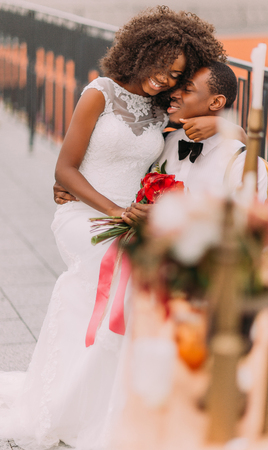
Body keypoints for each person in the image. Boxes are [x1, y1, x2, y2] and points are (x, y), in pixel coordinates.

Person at [0, 6, 226, 450]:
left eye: (175, 75)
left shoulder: (163, 110)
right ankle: (67, 403)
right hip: (85, 215)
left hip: (127, 219)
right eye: (161, 67)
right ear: (141, 52)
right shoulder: (98, 93)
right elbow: (65, 170)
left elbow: (214, 125)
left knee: (136, 284)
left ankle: (104, 404)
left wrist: (220, 122)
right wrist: (116, 212)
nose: (164, 80)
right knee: (115, 271)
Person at [121, 61, 268, 227]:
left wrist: (168, 219)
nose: (174, 94)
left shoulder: (241, 163)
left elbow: (244, 231)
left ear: (215, 102)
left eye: (187, 90)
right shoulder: (165, 141)